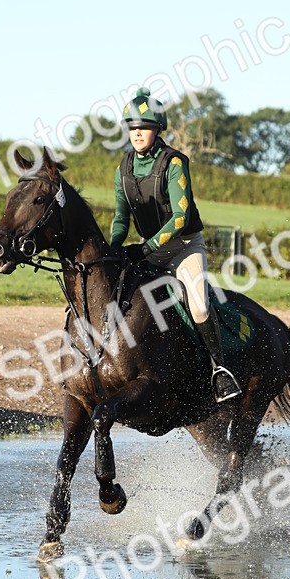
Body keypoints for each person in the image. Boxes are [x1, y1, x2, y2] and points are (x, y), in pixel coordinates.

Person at [111, 87, 241, 402]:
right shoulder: (122, 169)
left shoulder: (174, 163)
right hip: (148, 249)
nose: (137, 133)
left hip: (183, 247)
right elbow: (120, 218)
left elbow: (180, 217)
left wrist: (144, 249)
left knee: (197, 305)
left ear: (156, 130)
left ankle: (219, 371)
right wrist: (113, 249)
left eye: (143, 128)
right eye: (133, 128)